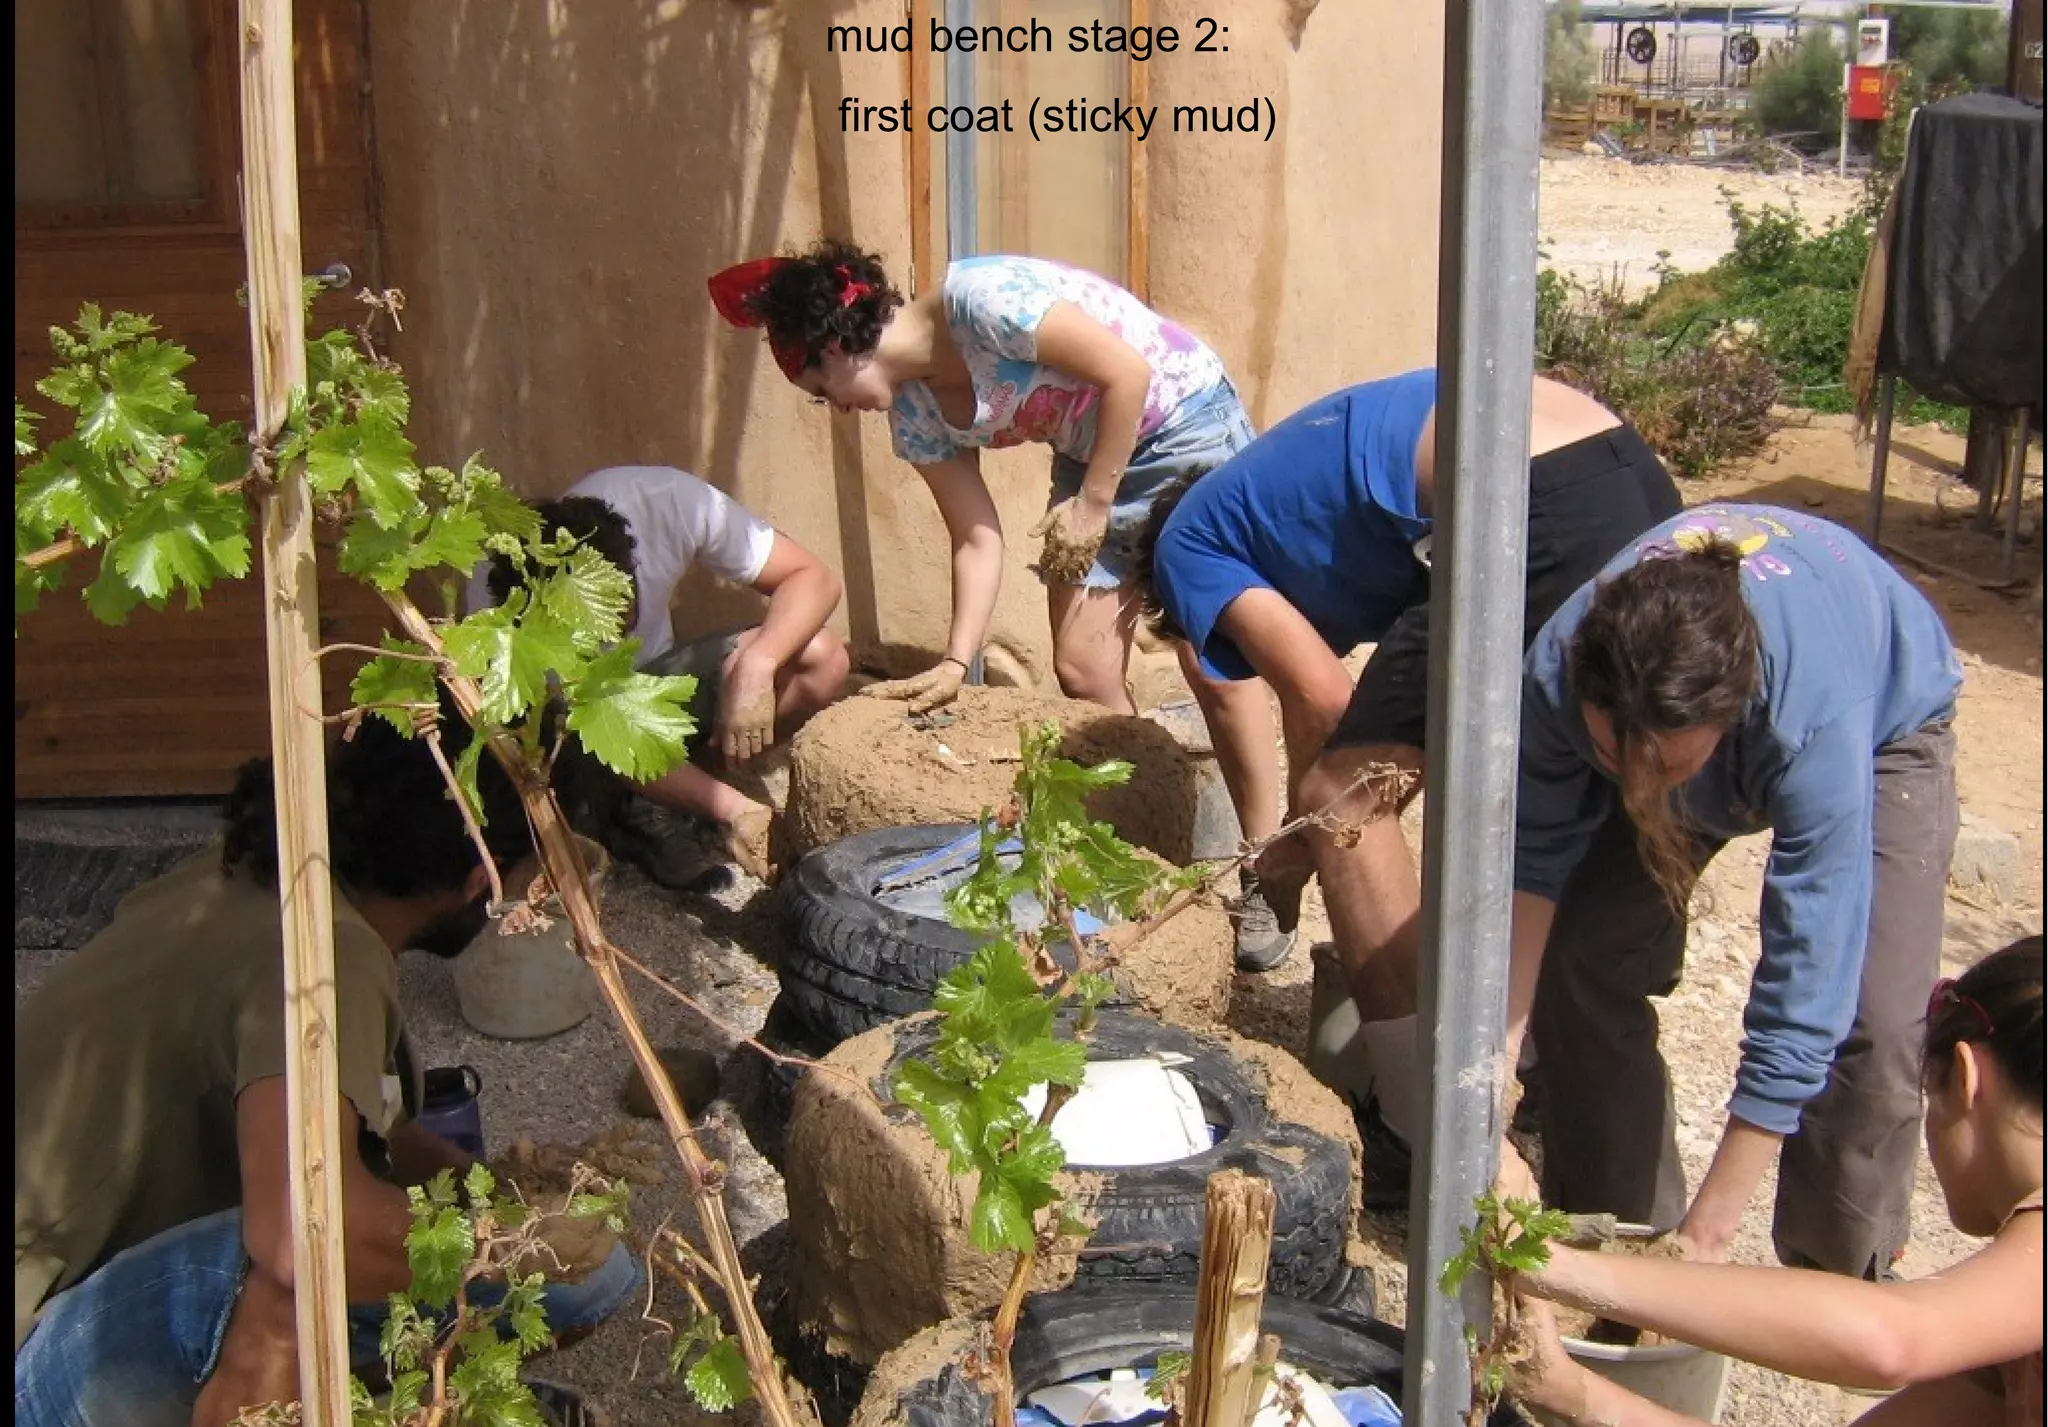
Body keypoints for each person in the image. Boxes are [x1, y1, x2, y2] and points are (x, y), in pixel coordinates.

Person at [13, 706, 641, 1427]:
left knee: (591, 1268)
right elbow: (302, 1231)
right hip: (29, 1385)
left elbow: (354, 1133)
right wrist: (513, 1246)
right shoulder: (325, 962)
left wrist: (492, 1188)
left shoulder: (259, 880)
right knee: (291, 1278)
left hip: (70, 1302)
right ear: (482, 881)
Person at [1496, 506, 1964, 1279]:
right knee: (1580, 961)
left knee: (1873, 1020)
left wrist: (1713, 1231)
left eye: (1670, 771)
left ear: (1731, 720)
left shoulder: (1804, 716)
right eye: (1614, 756)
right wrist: (1496, 1074)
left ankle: (1834, 1279)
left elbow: (1807, 965)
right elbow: (1530, 871)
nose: (1643, 794)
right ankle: (1623, 1240)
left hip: (1884, 713)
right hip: (1671, 717)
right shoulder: (1559, 670)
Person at [1135, 368, 1681, 976]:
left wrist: (1293, 850)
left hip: (1535, 501)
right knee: (1596, 755)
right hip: (1639, 480)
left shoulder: (1183, 545)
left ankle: (1404, 1055)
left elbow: (1323, 701)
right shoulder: (1283, 506)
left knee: (1338, 802)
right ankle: (1609, 992)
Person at [1503, 934, 2042, 1427]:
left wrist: (1550, 1265)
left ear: (1965, 1077)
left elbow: (1889, 1340)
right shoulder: (2007, 1328)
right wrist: (1566, 1386)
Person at [707, 239, 1253, 717]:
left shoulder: (981, 301)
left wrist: (1093, 503)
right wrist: (954, 662)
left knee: (1215, 652)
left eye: (823, 394)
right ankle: (1152, 808)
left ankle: (1264, 832)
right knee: (1084, 670)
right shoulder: (913, 414)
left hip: (1180, 418)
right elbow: (975, 536)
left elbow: (1128, 373)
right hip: (1090, 455)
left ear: (834, 351)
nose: (838, 410)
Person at [475, 466, 850, 890]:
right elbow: (615, 732)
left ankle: (670, 799)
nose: (619, 624)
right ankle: (627, 809)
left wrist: (756, 666)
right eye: (597, 620)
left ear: (631, 558)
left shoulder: (662, 502)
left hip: (652, 683)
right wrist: (735, 809)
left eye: (622, 599)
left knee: (821, 659)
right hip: (574, 733)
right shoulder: (516, 622)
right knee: (584, 748)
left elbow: (814, 578)